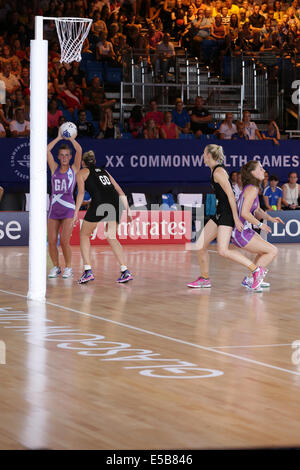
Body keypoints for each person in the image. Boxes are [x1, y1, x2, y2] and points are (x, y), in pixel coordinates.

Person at [187, 144, 265, 291]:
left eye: (204, 153)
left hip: (227, 214)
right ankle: (204, 279)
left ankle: (256, 270)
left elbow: (231, 196)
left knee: (222, 250)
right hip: (220, 213)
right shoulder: (214, 170)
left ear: (209, 155)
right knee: (200, 245)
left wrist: (235, 219)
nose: (202, 156)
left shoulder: (219, 172)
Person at [73, 150, 133, 284]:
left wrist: (76, 212)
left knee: (84, 235)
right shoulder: (105, 171)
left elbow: (81, 194)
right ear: (94, 162)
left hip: (100, 203)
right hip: (116, 203)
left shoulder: (81, 173)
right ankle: (125, 271)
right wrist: (128, 211)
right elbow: (120, 191)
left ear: (83, 163)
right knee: (111, 237)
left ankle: (88, 271)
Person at [232, 160, 284, 290]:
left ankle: (250, 279)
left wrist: (271, 218)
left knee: (264, 252)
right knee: (272, 251)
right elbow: (244, 213)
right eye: (260, 168)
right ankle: (254, 280)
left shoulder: (253, 187)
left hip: (245, 231)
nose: (264, 170)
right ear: (253, 173)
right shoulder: (252, 189)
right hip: (241, 233)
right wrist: (260, 225)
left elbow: (257, 211)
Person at [47, 128, 82, 279]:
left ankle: (68, 268)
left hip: (68, 209)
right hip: (54, 209)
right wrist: (58, 137)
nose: (64, 157)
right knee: (52, 241)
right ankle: (56, 267)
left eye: (67, 155)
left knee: (65, 241)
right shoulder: (54, 168)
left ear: (70, 157)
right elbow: (46, 150)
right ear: (58, 157)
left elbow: (79, 149)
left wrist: (70, 138)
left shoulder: (74, 169)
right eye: (61, 155)